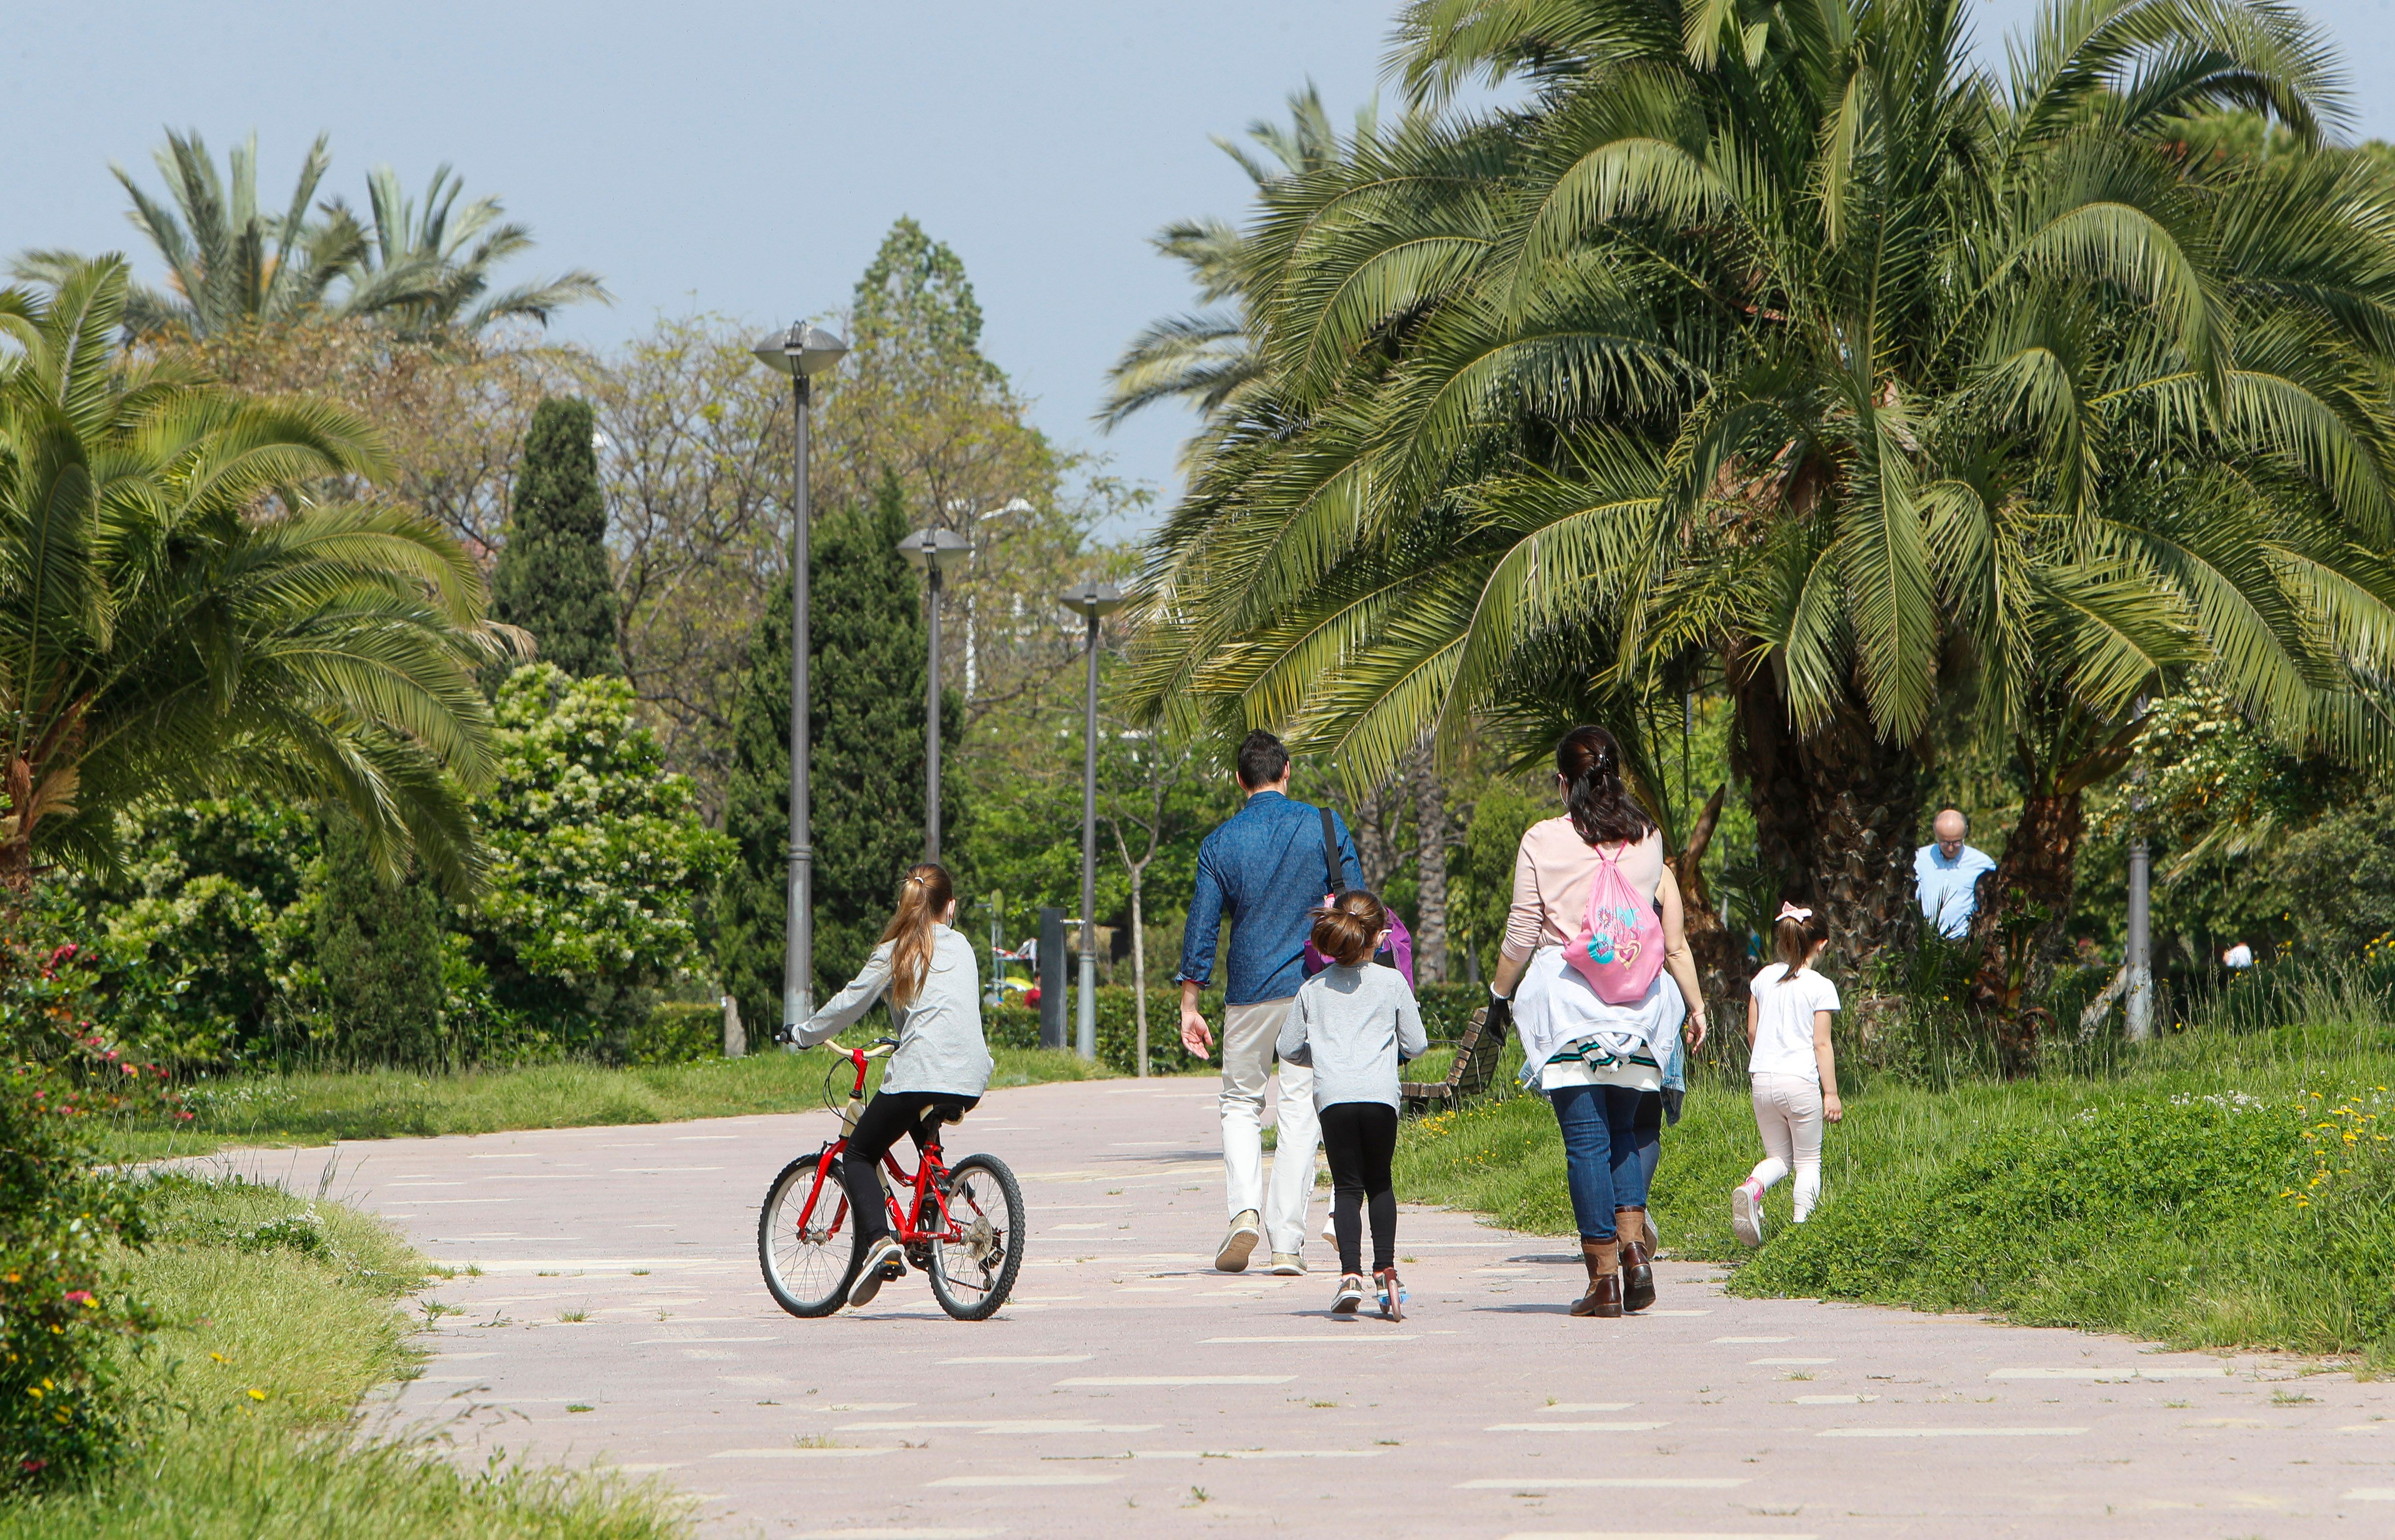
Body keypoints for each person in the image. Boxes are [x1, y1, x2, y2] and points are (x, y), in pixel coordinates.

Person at [1488, 725, 1708, 1319]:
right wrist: (1695, 1005)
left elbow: (1522, 931)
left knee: (1585, 1141)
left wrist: (1498, 995)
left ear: (1563, 782)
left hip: (1569, 1005)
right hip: (1639, 1004)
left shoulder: (1542, 839)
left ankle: (1604, 1280)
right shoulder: (1647, 838)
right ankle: (1635, 1251)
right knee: (1622, 1135)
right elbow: (1665, 931)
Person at [1177, 729, 1365, 1275]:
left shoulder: (1220, 843)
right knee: (1299, 1111)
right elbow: (1358, 907)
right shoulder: (1324, 826)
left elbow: (1202, 927)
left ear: (1240, 780)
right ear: (1286, 771)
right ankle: (1286, 1243)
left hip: (1249, 993)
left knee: (1239, 1103)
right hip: (1315, 990)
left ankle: (1243, 1212)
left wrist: (1191, 1002)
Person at [785, 863, 992, 1309]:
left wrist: (803, 1034)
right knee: (922, 1127)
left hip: (923, 1069)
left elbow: (849, 1003)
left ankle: (880, 1241)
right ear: (950, 907)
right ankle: (940, 1201)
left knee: (859, 1152)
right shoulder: (966, 947)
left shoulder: (898, 948)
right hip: (972, 1074)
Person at [1277, 889, 1427, 1320]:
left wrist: (1321, 1058)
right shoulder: (1393, 982)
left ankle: (1349, 1277)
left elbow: (1288, 1048)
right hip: (1380, 1097)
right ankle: (1387, 1271)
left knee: (1347, 1186)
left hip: (1334, 1098)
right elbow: (1417, 1044)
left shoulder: (1312, 988)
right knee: (1380, 1181)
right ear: (1379, 936)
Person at [1730, 901, 1843, 1247]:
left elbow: (1752, 1033)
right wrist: (1832, 1093)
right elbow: (1821, 1043)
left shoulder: (1763, 978)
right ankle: (1800, 1236)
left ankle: (1752, 1188)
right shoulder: (1820, 985)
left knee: (1779, 1157)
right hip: (1801, 1081)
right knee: (1808, 1161)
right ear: (1821, 943)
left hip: (1762, 1079)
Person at [1914, 809, 1996, 938]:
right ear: (1936, 834)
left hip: (1963, 941)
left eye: (1957, 842)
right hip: (1926, 941)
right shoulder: (1919, 859)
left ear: (1965, 833)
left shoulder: (1983, 864)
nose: (1951, 848)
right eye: (1945, 842)